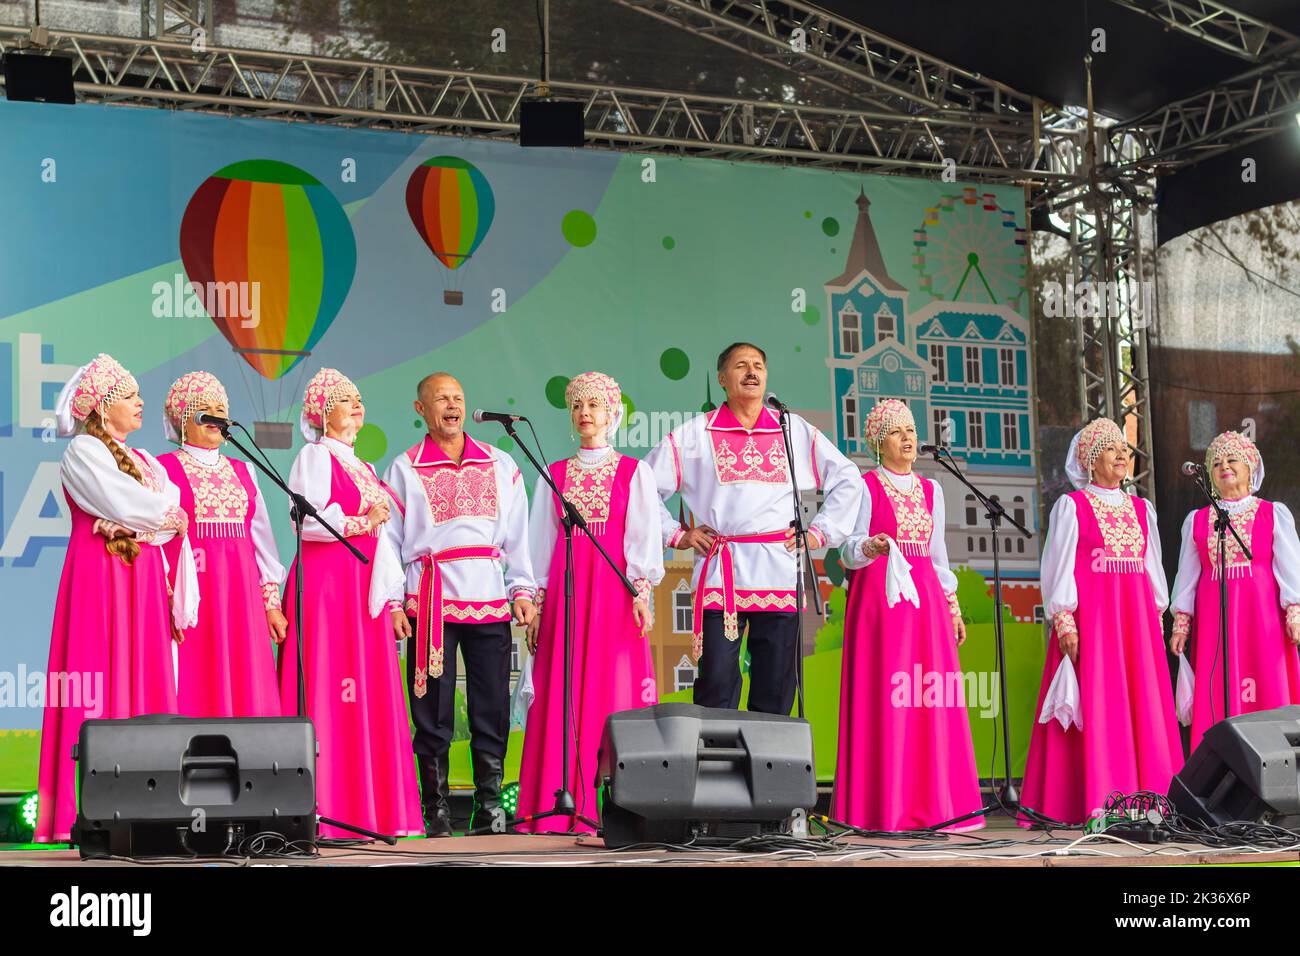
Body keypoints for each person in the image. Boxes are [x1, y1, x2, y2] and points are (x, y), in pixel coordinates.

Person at [644, 342, 862, 715]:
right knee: (716, 678)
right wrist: (677, 534)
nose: (751, 372)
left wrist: (818, 533)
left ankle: (768, 769)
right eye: (741, 365)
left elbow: (847, 477)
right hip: (722, 572)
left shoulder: (789, 428)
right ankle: (715, 766)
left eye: (758, 365)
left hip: (778, 568)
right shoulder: (697, 433)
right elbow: (643, 487)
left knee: (777, 681)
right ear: (722, 379)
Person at [35, 354, 198, 843]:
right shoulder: (83, 451)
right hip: (101, 577)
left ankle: (151, 804)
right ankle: (86, 810)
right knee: (96, 676)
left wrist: (141, 522)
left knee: (146, 679)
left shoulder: (146, 460)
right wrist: (146, 519)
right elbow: (131, 505)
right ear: (103, 408)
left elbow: (172, 507)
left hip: (142, 576)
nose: (140, 402)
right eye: (129, 396)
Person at [384, 372, 536, 835]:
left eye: (458, 398)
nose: (451, 405)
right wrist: (393, 602)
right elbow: (388, 541)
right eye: (440, 399)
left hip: (488, 596)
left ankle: (490, 806)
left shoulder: (499, 461)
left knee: (490, 702)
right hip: (430, 600)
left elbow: (518, 534)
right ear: (420, 410)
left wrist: (523, 589)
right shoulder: (405, 467)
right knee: (431, 708)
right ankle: (436, 810)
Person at [277, 368, 423, 840]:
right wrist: (364, 519)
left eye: (357, 397)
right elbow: (311, 521)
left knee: (365, 688)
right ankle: (328, 806)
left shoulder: (361, 464)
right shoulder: (315, 455)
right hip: (329, 585)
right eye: (343, 399)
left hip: (360, 585)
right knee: (333, 684)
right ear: (322, 413)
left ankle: (367, 809)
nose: (355, 405)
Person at [515, 372, 664, 833]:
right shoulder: (554, 473)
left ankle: (620, 811)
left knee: (613, 694)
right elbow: (539, 541)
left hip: (614, 594)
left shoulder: (634, 472)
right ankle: (558, 807)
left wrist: (641, 593)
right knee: (562, 692)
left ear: (612, 415)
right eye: (578, 406)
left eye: (595, 406)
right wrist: (535, 601)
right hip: (565, 592)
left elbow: (643, 538)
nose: (585, 414)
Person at [1018, 417, 1182, 827]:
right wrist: (1065, 620)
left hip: (1136, 623)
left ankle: (1151, 799)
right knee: (1100, 703)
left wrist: (1157, 617)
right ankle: (1097, 797)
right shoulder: (1072, 507)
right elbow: (1057, 567)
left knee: (1141, 701)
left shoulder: (1142, 509)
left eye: (1124, 449)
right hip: (1094, 621)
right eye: (1111, 448)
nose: (1123, 455)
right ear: (1090, 460)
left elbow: (1152, 571)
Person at [831, 399, 982, 831]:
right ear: (879, 442)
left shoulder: (932, 490)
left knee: (929, 699)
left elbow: (938, 557)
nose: (908, 438)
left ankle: (934, 804)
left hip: (926, 604)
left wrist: (951, 606)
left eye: (911, 430)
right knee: (887, 701)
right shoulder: (865, 486)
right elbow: (845, 547)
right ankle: (885, 807)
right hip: (880, 603)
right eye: (897, 431)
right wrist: (869, 547)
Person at [157, 372, 285, 717]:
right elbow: (155, 543)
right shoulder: (161, 469)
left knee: (246, 686)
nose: (215, 415)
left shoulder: (245, 470)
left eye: (220, 408)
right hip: (192, 598)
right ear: (182, 418)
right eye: (203, 409)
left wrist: (271, 603)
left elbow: (263, 543)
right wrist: (165, 599)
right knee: (194, 685)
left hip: (240, 598)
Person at [1169, 430, 1300, 751]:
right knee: (1220, 689)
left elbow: (1289, 567)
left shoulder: (1273, 513)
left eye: (1231, 459)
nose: (1223, 466)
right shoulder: (1199, 520)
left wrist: (1294, 611)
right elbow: (1187, 576)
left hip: (1263, 615)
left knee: (1267, 682)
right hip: (1217, 619)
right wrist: (1181, 621)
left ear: (1251, 466)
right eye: (1215, 463)